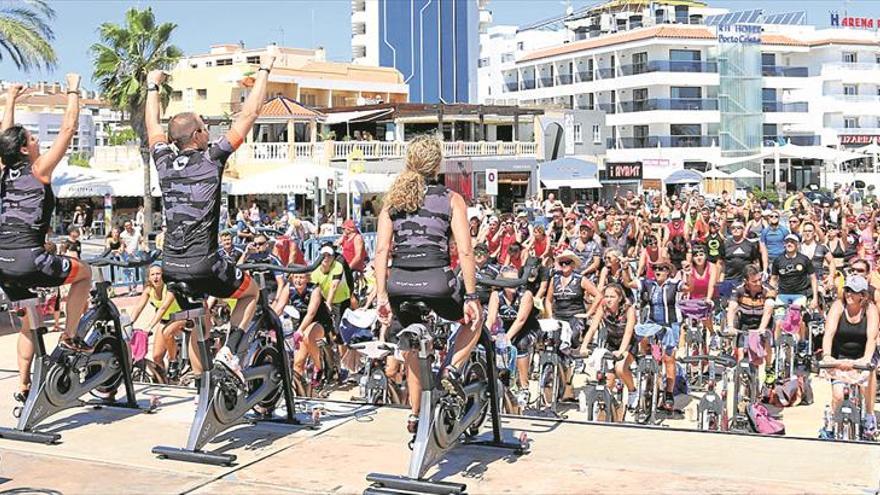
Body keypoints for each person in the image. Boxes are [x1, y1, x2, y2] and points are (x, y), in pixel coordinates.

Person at [145, 50, 275, 385]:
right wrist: (264, 70)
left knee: (197, 321)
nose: (208, 132)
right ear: (197, 137)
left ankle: (206, 394)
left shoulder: (162, 160)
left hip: (171, 264)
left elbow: (152, 128)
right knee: (250, 294)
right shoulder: (212, 158)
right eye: (204, 128)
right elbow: (250, 114)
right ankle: (230, 353)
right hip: (205, 264)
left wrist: (152, 87)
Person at [374, 135, 482, 434]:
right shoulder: (451, 198)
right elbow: (465, 251)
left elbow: (381, 251)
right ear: (437, 165)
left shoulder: (392, 200)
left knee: (410, 343)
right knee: (474, 319)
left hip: (398, 285)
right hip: (437, 282)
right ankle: (451, 370)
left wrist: (382, 296)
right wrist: (471, 295)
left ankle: (414, 412)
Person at [0, 75, 94, 402]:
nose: (37, 140)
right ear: (25, 148)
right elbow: (68, 131)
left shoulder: (2, 169)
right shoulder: (38, 170)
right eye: (32, 137)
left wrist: (10, 98)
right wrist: (72, 89)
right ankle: (69, 335)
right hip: (30, 258)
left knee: (29, 323)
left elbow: (4, 138)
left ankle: (23, 385)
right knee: (84, 273)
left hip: (3, 264)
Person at [821, 274, 878, 437]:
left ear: (863, 295)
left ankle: (869, 415)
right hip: (840, 355)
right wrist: (826, 355)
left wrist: (866, 359)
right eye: (847, 290)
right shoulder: (838, 306)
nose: (849, 294)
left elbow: (871, 338)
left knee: (870, 372)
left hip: (863, 355)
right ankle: (831, 420)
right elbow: (829, 334)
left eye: (853, 291)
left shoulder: (870, 309)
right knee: (838, 396)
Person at [625, 261, 682, 411]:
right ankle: (646, 362)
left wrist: (689, 274)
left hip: (671, 323)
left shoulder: (674, 284)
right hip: (652, 322)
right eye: (655, 268)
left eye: (662, 269)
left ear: (668, 272)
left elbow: (689, 287)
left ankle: (668, 393)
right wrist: (625, 267)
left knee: (669, 358)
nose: (658, 271)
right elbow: (628, 283)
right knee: (642, 335)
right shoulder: (648, 284)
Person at [580, 283, 638, 412]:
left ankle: (633, 391)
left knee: (620, 368)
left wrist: (622, 351)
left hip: (627, 344)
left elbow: (628, 332)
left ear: (620, 298)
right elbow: (593, 327)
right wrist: (583, 346)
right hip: (611, 343)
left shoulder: (629, 310)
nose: (609, 299)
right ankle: (608, 407)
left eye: (612, 296)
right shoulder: (603, 307)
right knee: (607, 381)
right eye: (606, 296)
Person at [485, 266, 540, 393]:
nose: (513, 284)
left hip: (528, 328)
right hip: (507, 328)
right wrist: (486, 334)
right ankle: (501, 380)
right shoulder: (496, 295)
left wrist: (506, 338)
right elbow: (491, 319)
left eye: (516, 280)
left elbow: (521, 320)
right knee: (493, 345)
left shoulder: (526, 294)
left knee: (521, 344)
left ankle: (524, 385)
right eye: (509, 281)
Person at [274, 272, 334, 385]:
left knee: (307, 336)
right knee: (297, 364)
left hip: (320, 321)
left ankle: (318, 366)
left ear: (307, 278)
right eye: (296, 277)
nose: (298, 280)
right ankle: (299, 391)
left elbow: (311, 313)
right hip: (302, 323)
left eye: (301, 277)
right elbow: (279, 307)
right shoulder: (289, 288)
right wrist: (270, 324)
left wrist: (300, 330)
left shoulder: (314, 290)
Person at [128, 264, 187, 376]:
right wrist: (129, 323)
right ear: (149, 277)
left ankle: (173, 361)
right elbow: (138, 307)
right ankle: (166, 380)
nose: (156, 277)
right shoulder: (149, 290)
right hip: (165, 320)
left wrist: (150, 326)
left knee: (167, 332)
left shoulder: (170, 287)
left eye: (158, 274)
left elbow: (163, 308)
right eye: (152, 274)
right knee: (157, 357)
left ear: (163, 275)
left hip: (181, 317)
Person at [120, 219, 143, 295]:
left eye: (129, 225)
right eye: (126, 226)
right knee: (128, 272)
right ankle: (130, 289)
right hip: (127, 254)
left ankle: (135, 287)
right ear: (124, 227)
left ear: (131, 225)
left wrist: (145, 248)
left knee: (137, 271)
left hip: (136, 253)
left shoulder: (137, 232)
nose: (128, 227)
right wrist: (124, 251)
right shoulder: (122, 235)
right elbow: (123, 245)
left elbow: (141, 241)